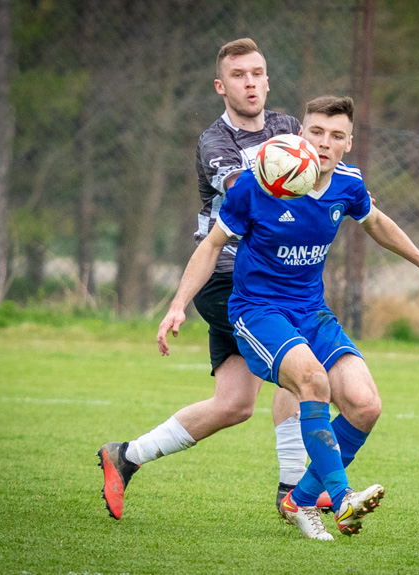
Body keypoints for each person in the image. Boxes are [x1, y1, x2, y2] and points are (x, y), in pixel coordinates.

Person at [156, 95, 419, 540]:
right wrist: (178, 304)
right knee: (313, 381)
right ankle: (341, 500)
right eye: (316, 132)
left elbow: (375, 222)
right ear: (301, 134)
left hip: (311, 311)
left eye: (336, 136)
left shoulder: (348, 184)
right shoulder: (258, 184)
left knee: (365, 405)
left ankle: (298, 500)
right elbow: (210, 245)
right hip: (257, 311)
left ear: (349, 144)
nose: (324, 143)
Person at [97, 38, 324, 521]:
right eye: (239, 75)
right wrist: (178, 302)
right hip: (228, 281)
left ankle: (125, 456)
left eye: (257, 73)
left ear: (267, 80)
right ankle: (292, 491)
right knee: (295, 357)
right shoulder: (214, 143)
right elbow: (247, 187)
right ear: (221, 86)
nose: (250, 83)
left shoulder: (288, 128)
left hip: (275, 278)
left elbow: (322, 175)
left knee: (235, 404)